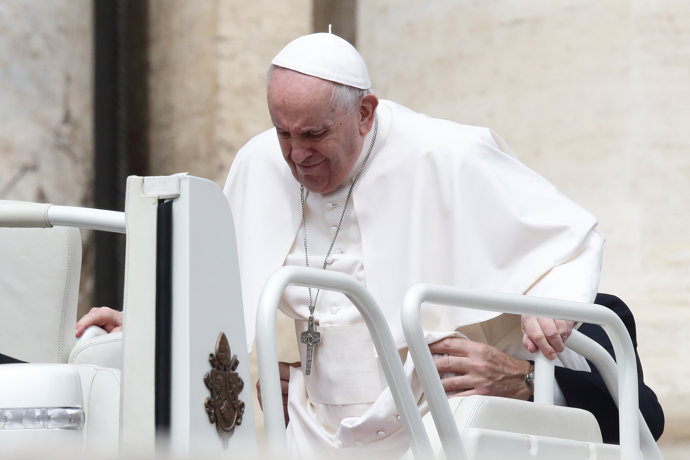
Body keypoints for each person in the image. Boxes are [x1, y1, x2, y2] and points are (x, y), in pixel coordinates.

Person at [75, 32, 658, 457]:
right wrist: (145, 323)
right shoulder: (260, 162)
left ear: (365, 112)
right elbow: (222, 278)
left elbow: (566, 237)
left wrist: (548, 313)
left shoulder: (448, 155)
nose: (295, 155)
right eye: (283, 133)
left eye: (314, 134)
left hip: (429, 406)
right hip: (312, 418)